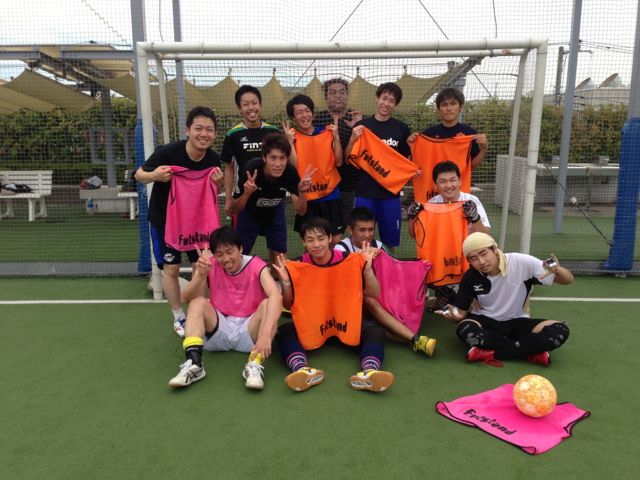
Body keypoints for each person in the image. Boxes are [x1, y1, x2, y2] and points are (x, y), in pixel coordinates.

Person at [273, 217, 394, 393]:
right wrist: (285, 281)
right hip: (313, 325)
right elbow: (288, 303)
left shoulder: (350, 260)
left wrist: (367, 268)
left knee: (375, 331)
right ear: (303, 242)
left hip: (346, 323)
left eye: (321, 238)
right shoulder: (297, 265)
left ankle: (369, 372)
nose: (316, 245)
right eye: (310, 240)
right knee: (284, 331)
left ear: (330, 238)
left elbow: (374, 293)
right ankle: (302, 370)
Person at [135, 106, 223, 338]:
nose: (204, 134)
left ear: (215, 134)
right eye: (198, 129)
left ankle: (197, 311)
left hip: (197, 222)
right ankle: (178, 316)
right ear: (188, 131)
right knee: (171, 269)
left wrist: (218, 182)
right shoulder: (167, 153)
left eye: (209, 130)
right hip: (165, 221)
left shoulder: (213, 158)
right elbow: (139, 174)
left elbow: (215, 189)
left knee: (200, 267)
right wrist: (154, 176)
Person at [168, 226, 282, 390]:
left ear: (240, 249)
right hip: (220, 329)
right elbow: (184, 298)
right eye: (219, 254)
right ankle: (194, 364)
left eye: (229, 252)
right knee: (197, 302)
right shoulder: (209, 265)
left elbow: (276, 297)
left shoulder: (257, 265)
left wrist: (264, 335)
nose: (225, 259)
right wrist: (200, 275)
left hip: (250, 331)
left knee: (269, 305)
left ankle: (254, 365)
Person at [437, 232, 573, 367]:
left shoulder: (521, 262)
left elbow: (568, 280)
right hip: (485, 321)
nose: (481, 261)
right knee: (465, 329)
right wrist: (454, 316)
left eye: (484, 253)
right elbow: (461, 313)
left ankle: (489, 352)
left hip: (518, 321)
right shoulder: (470, 276)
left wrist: (557, 270)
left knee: (560, 330)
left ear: (494, 249)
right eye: (473, 258)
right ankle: (530, 351)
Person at [336, 207, 436, 357]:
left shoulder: (378, 245)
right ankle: (415, 339)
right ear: (351, 230)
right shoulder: (340, 248)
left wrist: (419, 268)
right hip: (349, 300)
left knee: (390, 294)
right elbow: (342, 281)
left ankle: (393, 331)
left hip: (374, 292)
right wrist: (362, 259)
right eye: (362, 230)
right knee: (370, 301)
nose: (367, 235)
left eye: (371, 229)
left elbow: (396, 267)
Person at [228, 132, 315, 264]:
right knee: (238, 254)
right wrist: (246, 193)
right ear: (264, 158)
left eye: (282, 158)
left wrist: (302, 192)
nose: (278, 164)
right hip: (249, 212)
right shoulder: (250, 170)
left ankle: (277, 276)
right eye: (273, 158)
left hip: (275, 210)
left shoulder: (290, 173)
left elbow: (301, 210)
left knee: (280, 256)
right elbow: (234, 209)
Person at [345, 82, 411, 251]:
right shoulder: (362, 126)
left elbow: (405, 161)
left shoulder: (402, 129)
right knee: (361, 242)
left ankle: (388, 268)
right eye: (384, 98)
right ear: (377, 98)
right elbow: (347, 159)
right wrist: (352, 139)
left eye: (391, 101)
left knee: (389, 243)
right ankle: (363, 268)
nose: (386, 103)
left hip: (390, 195)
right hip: (365, 193)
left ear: (395, 104)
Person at [284, 94, 345, 241]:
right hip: (307, 197)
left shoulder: (327, 133)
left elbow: (339, 162)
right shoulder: (292, 137)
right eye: (299, 112)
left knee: (335, 241)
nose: (304, 115)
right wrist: (290, 143)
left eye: (307, 111)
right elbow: (294, 167)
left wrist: (336, 137)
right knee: (311, 242)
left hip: (330, 194)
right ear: (293, 117)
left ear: (312, 113)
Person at [221, 85, 280, 217]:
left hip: (271, 198)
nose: (251, 108)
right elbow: (229, 168)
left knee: (276, 231)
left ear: (260, 105)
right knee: (242, 231)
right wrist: (228, 198)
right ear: (239, 108)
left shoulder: (274, 132)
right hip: (244, 198)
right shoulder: (232, 135)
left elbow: (282, 161)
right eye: (246, 104)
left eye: (254, 103)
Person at [314, 78, 362, 225]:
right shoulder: (318, 119)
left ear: (347, 95)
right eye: (333, 93)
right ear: (326, 97)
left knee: (347, 226)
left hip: (349, 184)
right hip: (324, 185)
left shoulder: (356, 117)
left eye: (342, 92)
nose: (338, 96)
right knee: (323, 227)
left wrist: (359, 126)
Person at [410, 87, 488, 169]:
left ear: (461, 107)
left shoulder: (469, 133)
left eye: (453, 104)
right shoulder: (428, 134)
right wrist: (412, 146)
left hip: (460, 178)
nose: (449, 109)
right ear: (438, 109)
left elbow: (471, 166)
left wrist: (484, 149)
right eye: (444, 105)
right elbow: (418, 164)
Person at [429, 160, 490, 234]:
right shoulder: (431, 204)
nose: (448, 185)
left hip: (467, 242)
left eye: (452, 180)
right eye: (443, 181)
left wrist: (475, 218)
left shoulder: (472, 201)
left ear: (460, 181)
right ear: (435, 185)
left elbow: (486, 234)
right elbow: (419, 233)